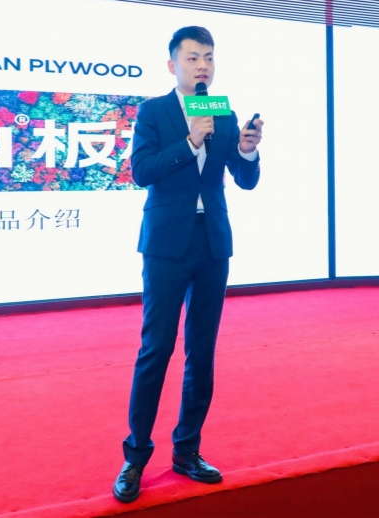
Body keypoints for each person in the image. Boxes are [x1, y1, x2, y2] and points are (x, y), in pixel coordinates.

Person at [113, 26, 263, 503]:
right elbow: (143, 171)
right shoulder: (153, 111)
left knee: (202, 351)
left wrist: (247, 150)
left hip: (212, 242)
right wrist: (191, 142)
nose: (203, 66)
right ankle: (135, 457)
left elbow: (244, 179)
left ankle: (187, 450)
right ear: (172, 65)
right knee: (156, 348)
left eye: (209, 58)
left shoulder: (223, 112)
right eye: (194, 57)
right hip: (165, 244)